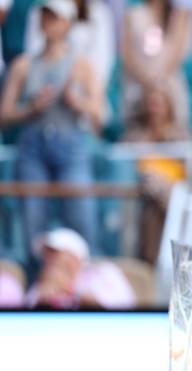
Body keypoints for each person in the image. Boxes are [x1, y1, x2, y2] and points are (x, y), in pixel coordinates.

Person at [0, 0, 103, 258]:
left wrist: (76, 102)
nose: (48, 21)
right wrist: (31, 108)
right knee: (33, 226)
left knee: (81, 220)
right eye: (46, 15)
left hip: (71, 146)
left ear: (67, 22)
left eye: (55, 16)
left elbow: (99, 115)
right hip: (33, 148)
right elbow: (4, 115)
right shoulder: (23, 65)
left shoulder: (82, 65)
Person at [121, 84, 192, 265]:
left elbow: (190, 168)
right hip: (142, 194)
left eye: (158, 103)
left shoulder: (181, 134)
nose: (154, 108)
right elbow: (123, 163)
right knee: (150, 189)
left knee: (155, 200)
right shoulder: (134, 135)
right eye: (150, 103)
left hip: (170, 190)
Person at [122, 0, 192, 129]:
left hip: (169, 89)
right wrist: (147, 83)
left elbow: (177, 54)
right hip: (139, 88)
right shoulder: (134, 14)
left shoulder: (179, 15)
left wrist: (158, 85)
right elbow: (128, 57)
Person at [26, 228, 136, 309]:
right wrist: (42, 302)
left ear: (76, 257)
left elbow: (125, 309)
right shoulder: (40, 285)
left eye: (55, 252)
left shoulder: (105, 272)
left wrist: (74, 293)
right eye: (46, 254)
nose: (49, 259)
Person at [25, 0, 115, 90]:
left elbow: (102, 61)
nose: (48, 22)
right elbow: (33, 49)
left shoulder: (99, 12)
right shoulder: (23, 67)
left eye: (54, 18)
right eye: (46, 16)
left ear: (67, 24)